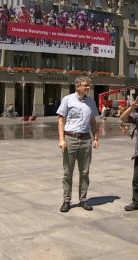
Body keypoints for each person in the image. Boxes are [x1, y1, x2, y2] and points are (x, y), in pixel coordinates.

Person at [57, 76, 99, 213]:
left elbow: (93, 122)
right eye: (85, 85)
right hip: (70, 139)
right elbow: (61, 120)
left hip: (86, 139)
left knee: (85, 172)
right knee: (68, 172)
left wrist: (96, 138)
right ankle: (66, 200)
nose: (88, 87)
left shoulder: (91, 101)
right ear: (77, 87)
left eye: (89, 85)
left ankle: (83, 199)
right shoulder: (67, 99)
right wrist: (62, 140)